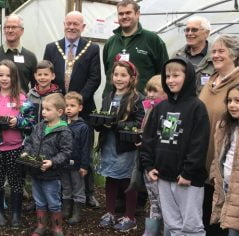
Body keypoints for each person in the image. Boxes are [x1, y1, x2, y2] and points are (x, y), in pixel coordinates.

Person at [141, 57, 210, 236]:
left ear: (187, 77)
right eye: (167, 76)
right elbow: (150, 138)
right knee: (172, 225)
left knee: (192, 226)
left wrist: (189, 172)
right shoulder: (162, 107)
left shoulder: (197, 107)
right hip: (163, 176)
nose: (170, 80)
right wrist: (149, 165)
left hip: (187, 179)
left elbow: (199, 143)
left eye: (176, 75)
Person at [43, 10, 101, 208]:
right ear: (64, 24)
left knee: (84, 150)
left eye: (76, 24)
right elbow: (48, 75)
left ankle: (88, 192)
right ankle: (61, 192)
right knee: (58, 150)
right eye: (69, 23)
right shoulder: (52, 48)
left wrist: (76, 103)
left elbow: (95, 78)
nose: (72, 27)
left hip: (83, 110)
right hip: (58, 112)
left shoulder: (92, 49)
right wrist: (60, 104)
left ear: (83, 27)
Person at [199, 34, 239, 236]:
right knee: (206, 215)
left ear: (234, 55)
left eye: (221, 51)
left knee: (225, 222)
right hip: (203, 160)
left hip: (228, 167)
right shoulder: (210, 81)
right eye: (214, 51)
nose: (215, 55)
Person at [0, 59, 35, 227]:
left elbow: (31, 122)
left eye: (8, 75)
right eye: (0, 75)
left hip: (15, 147)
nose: (4, 78)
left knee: (16, 182)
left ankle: (16, 215)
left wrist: (17, 122)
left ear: (14, 77)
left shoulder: (21, 98)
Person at [96, 60, 144, 232]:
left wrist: (118, 124)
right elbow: (102, 115)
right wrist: (99, 122)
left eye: (123, 75)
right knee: (110, 178)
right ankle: (110, 212)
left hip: (125, 147)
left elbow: (139, 123)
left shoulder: (137, 99)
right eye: (116, 75)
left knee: (126, 180)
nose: (119, 78)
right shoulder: (108, 96)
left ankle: (130, 216)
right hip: (109, 144)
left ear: (132, 78)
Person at [24, 93, 72, 236]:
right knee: (39, 200)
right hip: (36, 172)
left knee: (53, 201)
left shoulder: (64, 131)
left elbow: (66, 152)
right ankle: (41, 225)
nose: (43, 112)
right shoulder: (39, 127)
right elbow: (29, 142)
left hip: (52, 175)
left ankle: (57, 227)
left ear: (59, 112)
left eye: (48, 109)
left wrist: (52, 162)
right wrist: (27, 154)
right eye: (43, 109)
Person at [103, 0, 168, 96]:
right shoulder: (110, 42)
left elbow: (163, 73)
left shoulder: (152, 39)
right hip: (112, 102)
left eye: (128, 13)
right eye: (121, 14)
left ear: (137, 14)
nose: (124, 16)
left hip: (143, 101)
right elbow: (108, 71)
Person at [210, 82, 239, 236]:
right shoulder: (224, 126)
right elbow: (218, 156)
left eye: (238, 101)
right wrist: (214, 175)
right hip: (228, 190)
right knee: (233, 229)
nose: (232, 105)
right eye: (229, 101)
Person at [140, 75, 168, 236]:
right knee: (154, 201)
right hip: (148, 163)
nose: (150, 94)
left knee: (162, 202)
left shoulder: (167, 112)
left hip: (160, 163)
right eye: (148, 90)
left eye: (154, 91)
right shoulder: (149, 108)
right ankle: (151, 230)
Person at [0, 14, 37, 93]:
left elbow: (35, 87)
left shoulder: (30, 57)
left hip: (21, 104)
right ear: (4, 30)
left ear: (22, 31)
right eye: (7, 27)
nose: (10, 30)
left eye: (14, 27)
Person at [61, 91, 92, 225]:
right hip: (63, 163)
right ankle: (66, 209)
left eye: (72, 106)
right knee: (66, 187)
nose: (68, 108)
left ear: (80, 108)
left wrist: (84, 166)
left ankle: (77, 212)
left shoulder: (83, 127)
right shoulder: (61, 124)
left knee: (78, 187)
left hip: (77, 165)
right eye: (66, 105)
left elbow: (86, 148)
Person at [173, 16, 214, 92]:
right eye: (187, 30)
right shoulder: (177, 56)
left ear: (206, 33)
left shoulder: (216, 56)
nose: (189, 33)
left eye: (194, 30)